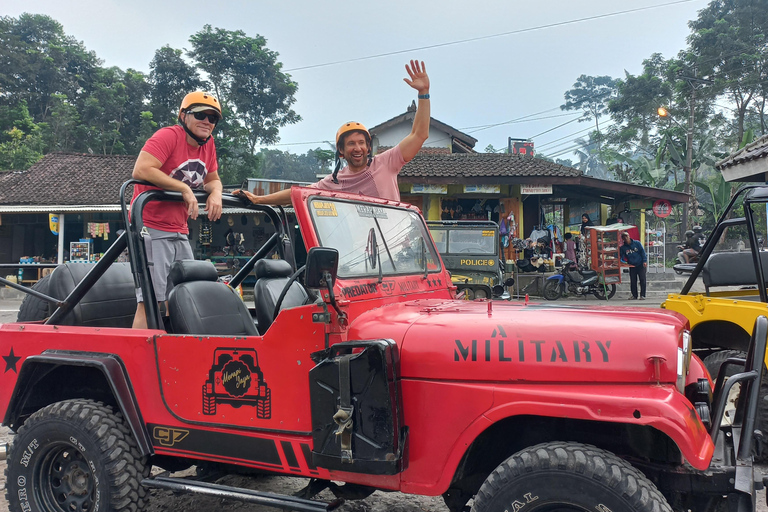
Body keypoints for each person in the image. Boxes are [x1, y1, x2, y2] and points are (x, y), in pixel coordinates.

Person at [234, 60, 430, 205]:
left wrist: (423, 94)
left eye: (361, 142)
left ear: (368, 147)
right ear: (341, 152)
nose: (358, 148)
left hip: (395, 249)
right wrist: (259, 199)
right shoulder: (335, 181)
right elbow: (298, 193)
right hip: (359, 252)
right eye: (351, 144)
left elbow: (419, 135)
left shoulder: (386, 162)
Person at [131, 91, 224, 329]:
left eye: (213, 118)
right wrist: (183, 188)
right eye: (200, 115)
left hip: (179, 229)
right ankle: (139, 359)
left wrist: (215, 192)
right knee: (151, 300)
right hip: (150, 226)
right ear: (183, 115)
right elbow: (141, 169)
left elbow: (212, 178)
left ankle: (176, 354)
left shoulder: (209, 144)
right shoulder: (168, 136)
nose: (207, 121)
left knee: (182, 295)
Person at [619, 231, 647, 300]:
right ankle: (634, 295)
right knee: (633, 281)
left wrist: (644, 261)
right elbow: (621, 257)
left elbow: (642, 252)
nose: (626, 238)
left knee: (642, 279)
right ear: (623, 239)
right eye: (624, 237)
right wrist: (623, 262)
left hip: (640, 264)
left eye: (626, 236)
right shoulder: (623, 248)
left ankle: (642, 295)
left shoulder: (637, 243)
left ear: (629, 236)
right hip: (632, 265)